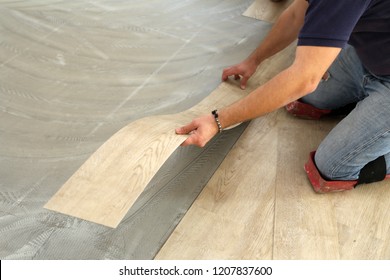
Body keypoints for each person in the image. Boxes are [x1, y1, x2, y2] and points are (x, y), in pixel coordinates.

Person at [175, 0, 390, 192]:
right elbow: (297, 14)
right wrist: (254, 60)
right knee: (311, 98)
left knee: (333, 166)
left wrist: (217, 121)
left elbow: (303, 80)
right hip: (368, 57)